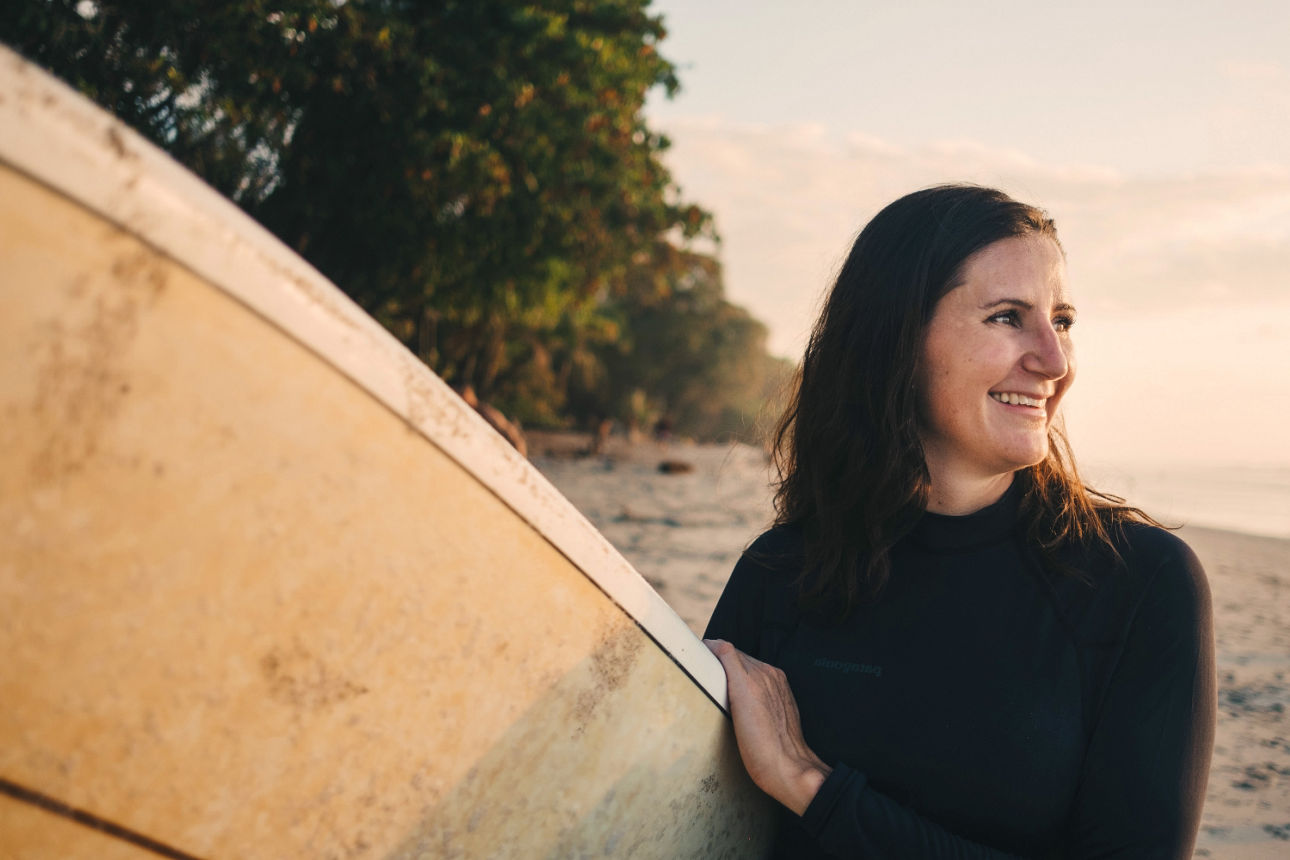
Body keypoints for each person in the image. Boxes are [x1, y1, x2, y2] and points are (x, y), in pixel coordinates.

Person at [704, 185, 1215, 858]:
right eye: (1008, 317)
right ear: (896, 340)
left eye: (1061, 320)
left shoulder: (1137, 583)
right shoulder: (782, 573)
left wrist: (812, 786)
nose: (1054, 362)